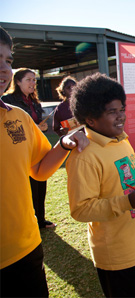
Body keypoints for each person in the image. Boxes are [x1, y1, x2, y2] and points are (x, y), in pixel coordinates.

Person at [0, 26, 89, 297]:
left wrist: (64, 144)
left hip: (26, 248)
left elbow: (38, 170)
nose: (4, 69)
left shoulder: (18, 117)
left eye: (8, 61)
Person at [66, 73, 135, 297]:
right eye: (112, 112)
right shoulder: (84, 156)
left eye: (122, 109)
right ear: (90, 119)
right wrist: (127, 202)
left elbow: (128, 180)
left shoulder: (121, 139)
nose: (121, 117)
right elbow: (81, 209)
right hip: (118, 255)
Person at [2, 68, 56, 229]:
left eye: (34, 80)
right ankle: (28, 220)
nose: (33, 83)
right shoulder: (7, 100)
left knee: (40, 183)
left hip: (36, 149)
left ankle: (40, 219)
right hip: (19, 151)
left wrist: (43, 128)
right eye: (29, 80)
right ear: (17, 82)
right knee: (26, 188)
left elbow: (37, 125)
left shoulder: (34, 102)